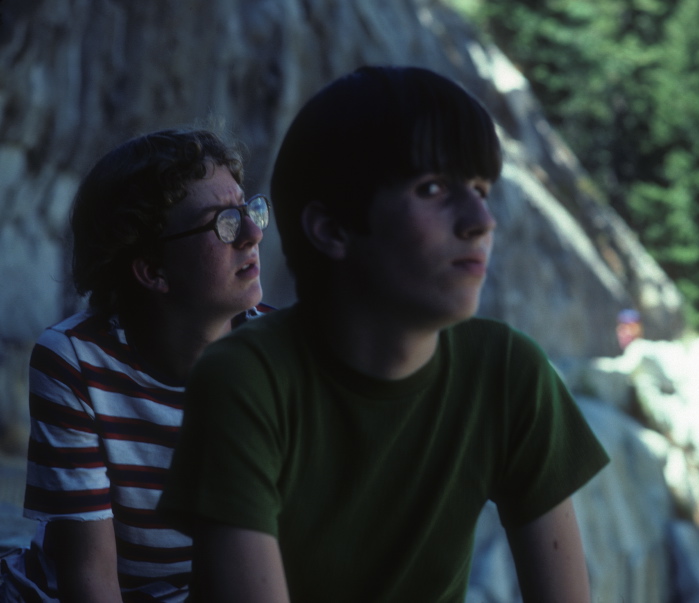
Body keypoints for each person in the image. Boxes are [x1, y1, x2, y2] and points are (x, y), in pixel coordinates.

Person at [159, 66, 609, 602]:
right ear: (332, 228)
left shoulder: (509, 370)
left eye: (481, 188)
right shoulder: (248, 379)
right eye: (434, 188)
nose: (480, 219)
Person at [0, 128, 271, 602]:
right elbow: (91, 582)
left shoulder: (276, 353)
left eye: (250, 209)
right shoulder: (77, 361)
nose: (252, 234)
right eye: (223, 222)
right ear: (152, 270)